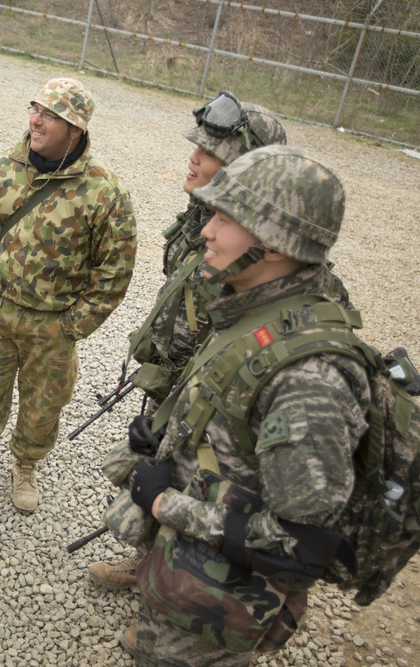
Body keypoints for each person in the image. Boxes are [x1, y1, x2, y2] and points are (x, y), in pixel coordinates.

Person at [124, 145, 368, 665]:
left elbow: (298, 545)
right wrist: (170, 437)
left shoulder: (311, 379)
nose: (206, 231)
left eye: (225, 218)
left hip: (216, 603)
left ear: (276, 244)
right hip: (185, 572)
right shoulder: (257, 307)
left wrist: (168, 504)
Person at [89, 92, 287, 591]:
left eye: (211, 154)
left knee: (201, 492)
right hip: (175, 380)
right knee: (159, 475)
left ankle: (181, 602)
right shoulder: (201, 217)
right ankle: (149, 571)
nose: (193, 158)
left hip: (215, 397)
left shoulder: (262, 251)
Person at [0, 77, 137, 512]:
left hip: (53, 324)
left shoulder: (104, 192)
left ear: (74, 130)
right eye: (34, 108)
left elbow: (115, 269)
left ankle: (25, 467)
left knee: (44, 407)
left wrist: (75, 324)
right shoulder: (2, 170)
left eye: (50, 115)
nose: (35, 120)